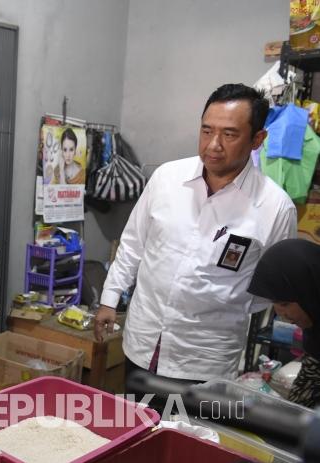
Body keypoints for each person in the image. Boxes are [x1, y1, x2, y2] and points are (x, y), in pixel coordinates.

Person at [95, 83, 297, 384]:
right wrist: (109, 299)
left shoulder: (275, 207)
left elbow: (267, 292)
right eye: (206, 130)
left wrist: (224, 302)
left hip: (204, 359)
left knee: (193, 431)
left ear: (257, 139)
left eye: (229, 134)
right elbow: (133, 244)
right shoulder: (167, 178)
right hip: (142, 341)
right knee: (138, 425)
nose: (213, 144)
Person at [248, 239, 320, 408]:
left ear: (309, 293)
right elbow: (302, 398)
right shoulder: (315, 334)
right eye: (275, 304)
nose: (281, 314)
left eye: (284, 303)